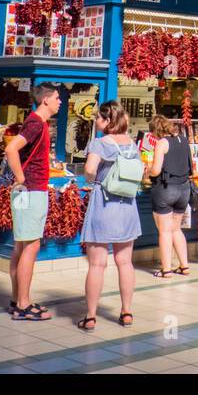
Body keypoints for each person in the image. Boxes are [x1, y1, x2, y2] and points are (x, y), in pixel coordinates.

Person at [80, 101, 141, 329]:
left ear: (107, 121)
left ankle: (91, 316)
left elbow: (89, 169)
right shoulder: (131, 144)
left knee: (97, 264)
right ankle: (126, 312)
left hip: (104, 205)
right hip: (127, 207)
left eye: (98, 117)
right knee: (125, 262)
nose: (96, 121)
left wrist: (91, 180)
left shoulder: (100, 143)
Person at [3, 84, 61, 321]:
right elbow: (11, 149)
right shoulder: (37, 123)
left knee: (21, 246)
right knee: (31, 246)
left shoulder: (38, 123)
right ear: (46, 100)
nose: (60, 102)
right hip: (31, 190)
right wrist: (20, 178)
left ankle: (18, 300)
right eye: (57, 98)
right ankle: (23, 306)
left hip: (25, 192)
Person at [144, 114, 192, 279]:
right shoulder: (184, 140)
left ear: (156, 130)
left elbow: (156, 170)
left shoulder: (162, 143)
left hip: (166, 189)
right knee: (176, 229)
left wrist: (147, 170)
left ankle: (166, 270)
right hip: (184, 189)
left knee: (164, 231)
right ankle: (184, 266)